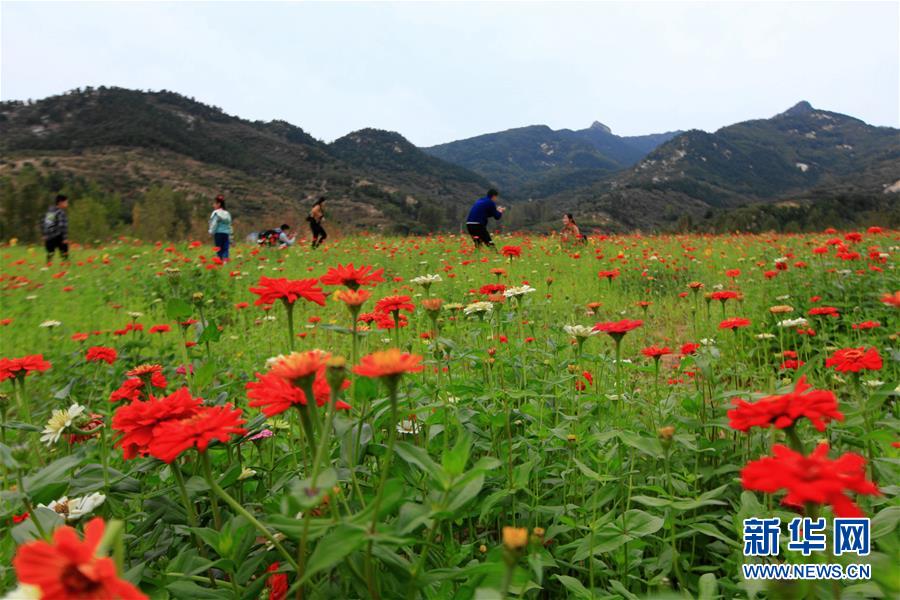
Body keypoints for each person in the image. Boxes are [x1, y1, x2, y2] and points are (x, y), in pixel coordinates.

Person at [42, 194, 70, 264]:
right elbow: (62, 227)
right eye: (66, 202)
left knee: (51, 253)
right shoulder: (59, 213)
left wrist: (46, 234)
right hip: (58, 236)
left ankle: (49, 265)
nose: (67, 204)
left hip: (51, 236)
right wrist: (65, 238)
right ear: (60, 202)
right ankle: (64, 265)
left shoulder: (51, 211)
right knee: (63, 252)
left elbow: (47, 224)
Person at [208, 194, 233, 261]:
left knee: (219, 248)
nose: (213, 205)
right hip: (226, 234)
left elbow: (214, 223)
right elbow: (229, 225)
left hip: (218, 233)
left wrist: (211, 232)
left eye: (214, 204)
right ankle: (225, 262)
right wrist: (231, 238)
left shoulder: (216, 213)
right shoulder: (227, 213)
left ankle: (219, 262)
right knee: (225, 249)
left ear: (218, 204)